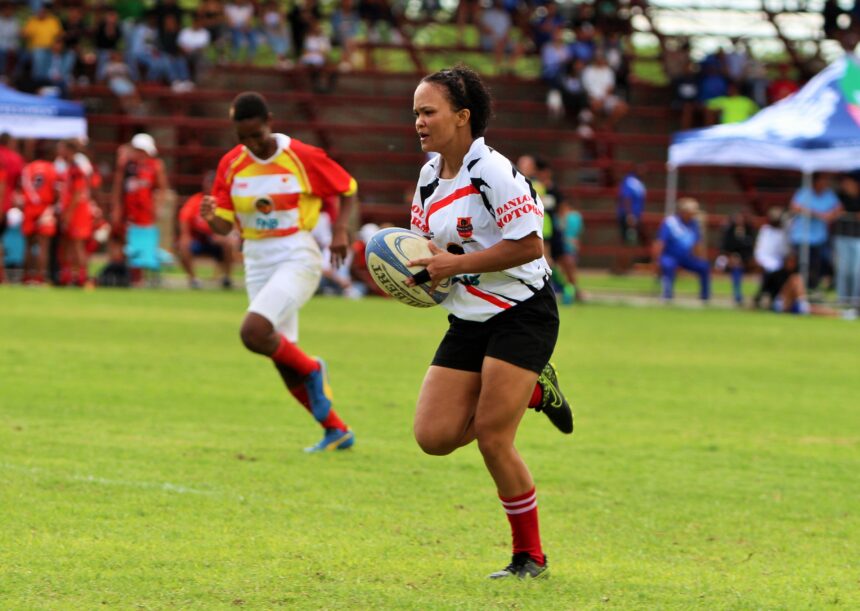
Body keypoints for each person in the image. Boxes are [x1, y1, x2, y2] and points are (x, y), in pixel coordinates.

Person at [407, 65, 573, 580]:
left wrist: (451, 265)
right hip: (468, 317)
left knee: (493, 438)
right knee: (433, 436)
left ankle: (530, 557)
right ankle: (531, 390)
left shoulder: (493, 170)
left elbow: (529, 245)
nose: (418, 122)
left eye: (428, 111)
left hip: (523, 312)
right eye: (415, 113)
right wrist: (408, 275)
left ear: (462, 117)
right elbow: (424, 251)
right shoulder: (430, 177)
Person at [200, 91, 358, 453]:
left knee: (253, 331)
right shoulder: (231, 165)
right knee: (282, 359)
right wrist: (212, 219)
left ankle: (315, 370)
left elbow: (347, 188)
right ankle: (336, 430)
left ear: (269, 120)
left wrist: (338, 231)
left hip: (296, 252)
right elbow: (226, 228)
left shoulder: (301, 156)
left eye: (256, 134)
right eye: (243, 137)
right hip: (255, 256)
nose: (252, 144)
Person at [110, 133, 168, 282]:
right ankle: (123, 274)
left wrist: (158, 206)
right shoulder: (126, 166)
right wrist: (116, 208)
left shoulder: (155, 166)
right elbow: (117, 188)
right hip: (127, 210)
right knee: (121, 240)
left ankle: (139, 276)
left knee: (141, 243)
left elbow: (162, 188)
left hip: (145, 212)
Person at [176, 171, 237, 289]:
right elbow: (184, 217)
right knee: (182, 246)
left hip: (217, 238)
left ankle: (227, 278)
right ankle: (193, 279)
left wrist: (223, 234)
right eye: (207, 183)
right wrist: (185, 236)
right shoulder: (196, 200)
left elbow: (232, 223)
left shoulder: (224, 201)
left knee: (228, 243)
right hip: (200, 239)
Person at [788, 172, 842, 290]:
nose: (826, 184)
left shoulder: (829, 194)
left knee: (816, 266)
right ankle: (795, 290)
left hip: (818, 238)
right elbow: (794, 207)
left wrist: (830, 216)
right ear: (815, 182)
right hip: (801, 237)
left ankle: (811, 289)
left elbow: (839, 209)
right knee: (799, 265)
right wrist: (817, 214)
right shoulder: (804, 192)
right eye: (823, 181)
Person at [653, 197, 710, 303]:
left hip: (686, 257)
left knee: (704, 266)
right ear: (683, 212)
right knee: (668, 265)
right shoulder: (670, 223)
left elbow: (697, 244)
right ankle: (667, 295)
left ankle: (705, 297)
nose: (693, 215)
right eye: (691, 212)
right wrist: (657, 260)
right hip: (669, 255)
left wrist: (700, 258)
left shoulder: (694, 224)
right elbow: (660, 243)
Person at [20, 148, 59, 284]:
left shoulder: (27, 168)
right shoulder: (52, 169)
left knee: (28, 245)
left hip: (30, 209)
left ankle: (26, 276)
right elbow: (56, 190)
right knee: (44, 246)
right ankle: (40, 278)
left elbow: (22, 188)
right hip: (45, 209)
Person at [716, 210, 756, 306]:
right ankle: (737, 295)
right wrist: (731, 257)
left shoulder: (749, 231)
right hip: (729, 258)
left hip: (744, 259)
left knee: (739, 267)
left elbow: (749, 248)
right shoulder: (729, 231)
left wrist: (743, 258)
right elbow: (724, 248)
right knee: (736, 268)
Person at [833, 173, 860, 308]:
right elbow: (834, 212)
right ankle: (843, 299)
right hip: (842, 236)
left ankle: (856, 300)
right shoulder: (840, 196)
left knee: (857, 271)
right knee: (843, 270)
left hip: (857, 238)